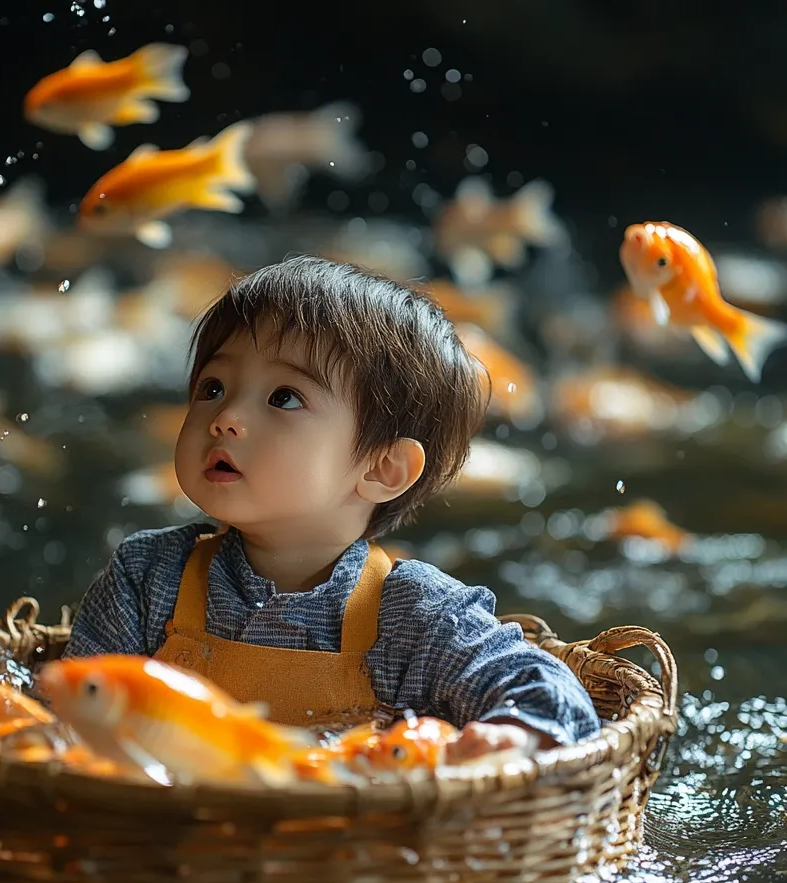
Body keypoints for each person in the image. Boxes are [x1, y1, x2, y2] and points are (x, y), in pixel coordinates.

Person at [66, 255, 600, 757]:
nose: (225, 416)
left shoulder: (411, 616)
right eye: (212, 386)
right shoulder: (148, 578)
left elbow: (551, 694)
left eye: (284, 398)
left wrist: (511, 739)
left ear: (381, 470)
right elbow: (61, 721)